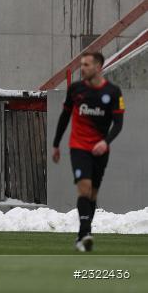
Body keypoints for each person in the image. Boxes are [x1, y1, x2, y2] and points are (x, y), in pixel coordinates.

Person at [51, 51, 124, 252]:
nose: (82, 68)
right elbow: (65, 117)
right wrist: (56, 144)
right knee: (84, 188)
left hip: (100, 149)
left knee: (92, 194)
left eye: (86, 65)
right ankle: (86, 232)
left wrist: (105, 142)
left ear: (98, 67)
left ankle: (81, 238)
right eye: (81, 64)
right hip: (79, 147)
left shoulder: (114, 92)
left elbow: (118, 124)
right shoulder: (75, 89)